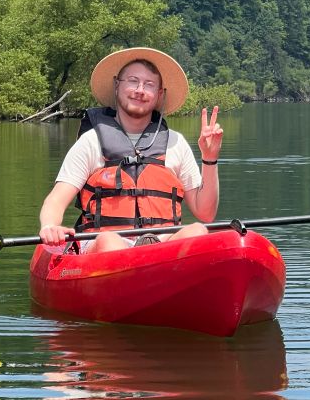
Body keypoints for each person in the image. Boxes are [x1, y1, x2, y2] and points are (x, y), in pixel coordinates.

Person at [39, 47, 223, 254]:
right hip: (103, 246)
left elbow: (205, 213)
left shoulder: (176, 143)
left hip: (163, 245)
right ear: (117, 85)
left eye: (149, 85)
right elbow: (55, 200)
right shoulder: (91, 142)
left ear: (159, 94)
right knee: (110, 241)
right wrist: (50, 226)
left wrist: (209, 158)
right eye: (133, 81)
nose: (140, 90)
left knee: (197, 230)